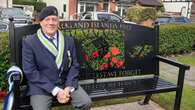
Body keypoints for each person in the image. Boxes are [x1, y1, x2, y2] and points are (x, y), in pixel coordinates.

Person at [22, 6, 92, 110]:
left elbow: (74, 65)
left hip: (65, 83)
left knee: (85, 102)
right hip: (42, 86)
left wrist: (68, 87)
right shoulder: (30, 42)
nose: (51, 23)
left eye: (54, 19)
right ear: (40, 22)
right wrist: (56, 90)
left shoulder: (68, 41)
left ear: (58, 22)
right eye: (47, 19)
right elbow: (30, 71)